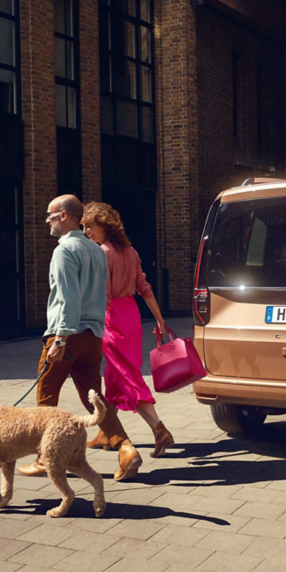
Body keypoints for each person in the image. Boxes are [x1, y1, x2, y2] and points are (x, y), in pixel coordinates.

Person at [17, 194, 142, 484]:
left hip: (67, 336)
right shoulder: (97, 251)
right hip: (93, 336)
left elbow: (68, 298)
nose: (46, 220)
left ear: (64, 216)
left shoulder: (64, 251)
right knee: (94, 400)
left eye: (50, 215)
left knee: (46, 397)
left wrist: (59, 339)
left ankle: (43, 458)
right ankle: (126, 449)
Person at [82, 201, 175, 460]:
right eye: (85, 227)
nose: (87, 232)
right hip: (131, 316)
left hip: (112, 319)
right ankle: (106, 432)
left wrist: (91, 324)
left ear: (104, 226)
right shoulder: (131, 252)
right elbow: (144, 288)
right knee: (114, 377)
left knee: (127, 377)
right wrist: (159, 319)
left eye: (90, 226)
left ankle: (159, 430)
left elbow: (105, 297)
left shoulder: (102, 253)